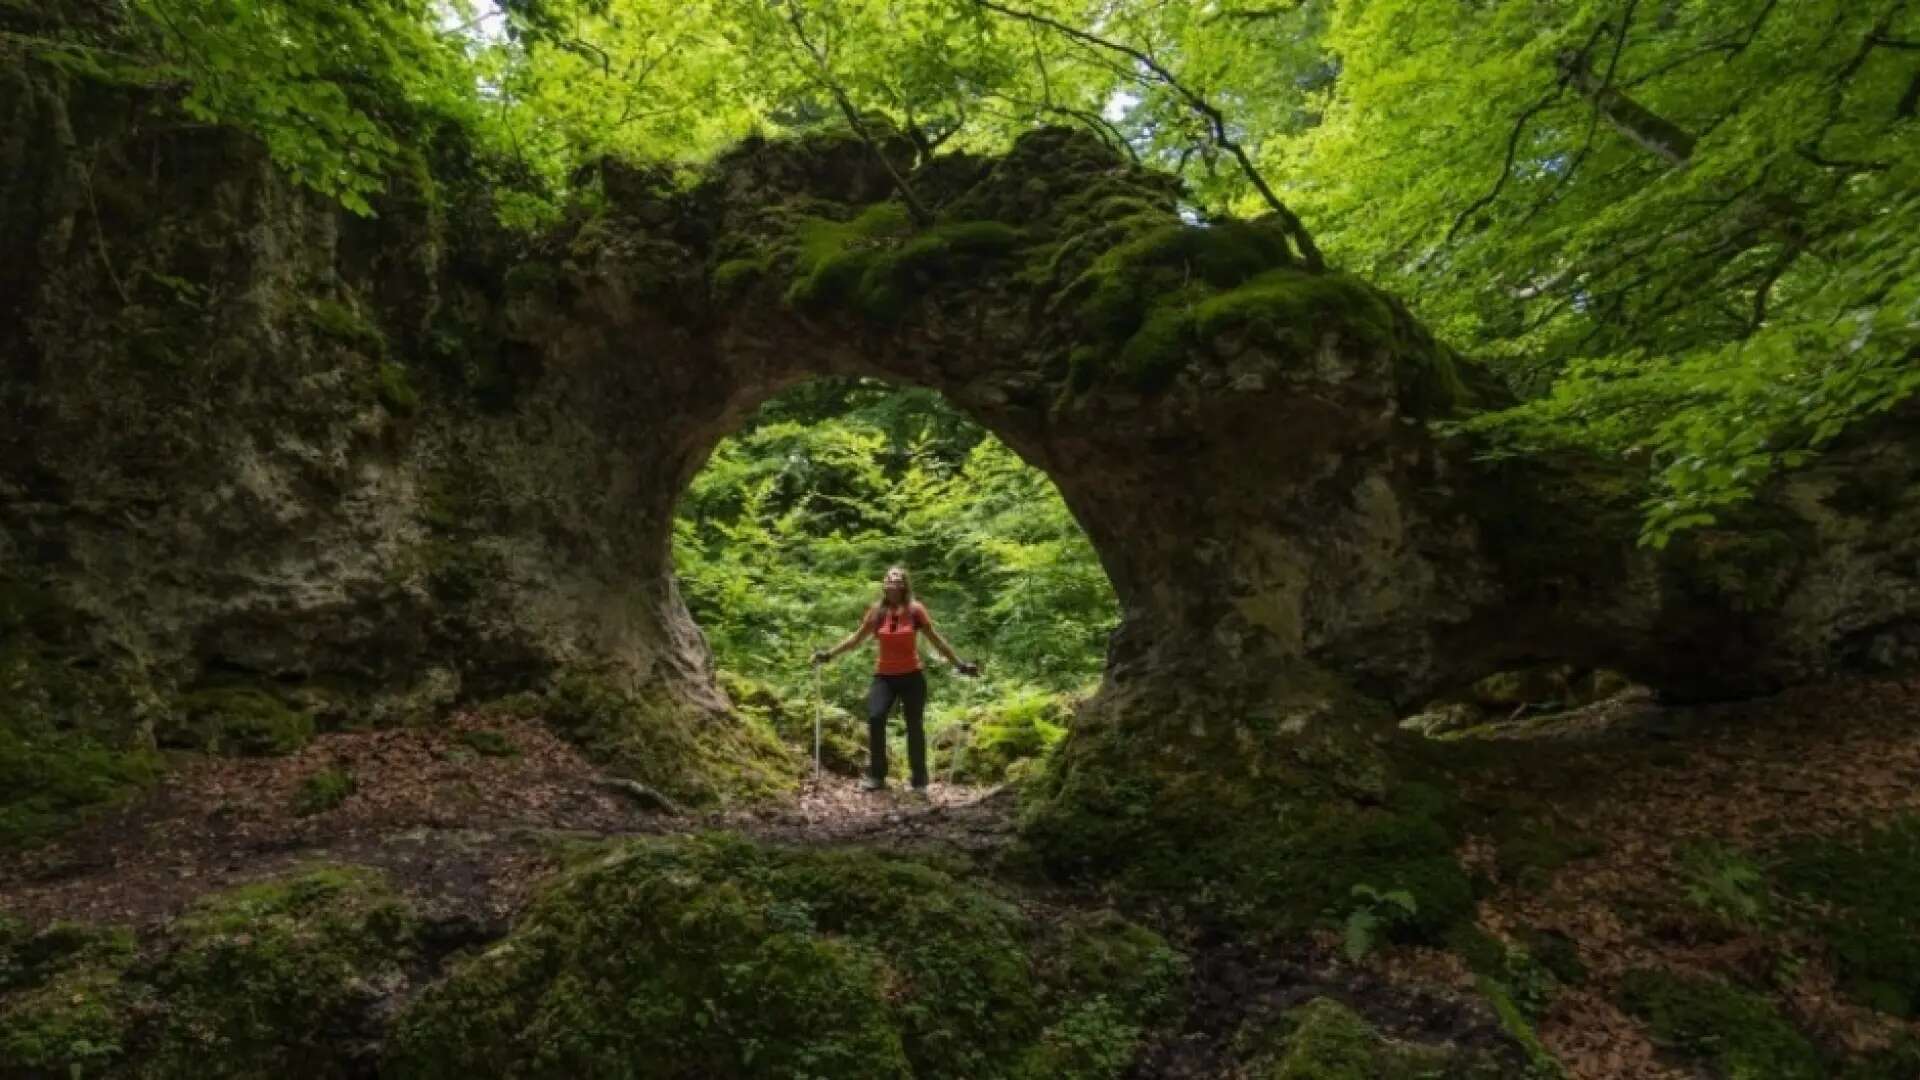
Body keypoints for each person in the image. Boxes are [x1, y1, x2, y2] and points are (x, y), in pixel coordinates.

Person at [813, 566, 979, 793]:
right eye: (889, 578)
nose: (893, 581)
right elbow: (855, 639)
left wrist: (959, 664)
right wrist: (829, 654)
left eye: (898, 578)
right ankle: (877, 776)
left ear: (904, 585)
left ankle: (919, 781)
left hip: (912, 676)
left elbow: (936, 640)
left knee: (914, 727)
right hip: (885, 677)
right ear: (884, 584)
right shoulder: (877, 612)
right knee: (875, 717)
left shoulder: (915, 611)